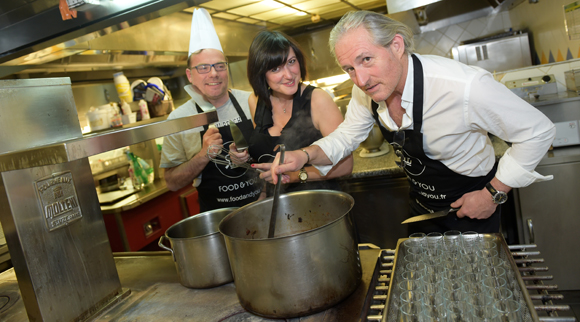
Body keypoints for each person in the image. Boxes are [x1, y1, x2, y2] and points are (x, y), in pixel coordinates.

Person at [270, 10, 555, 234]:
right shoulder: (366, 90)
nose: (360, 80)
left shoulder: (463, 86)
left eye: (366, 59)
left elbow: (538, 132)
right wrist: (304, 155)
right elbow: (346, 136)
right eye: (349, 69)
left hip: (473, 211)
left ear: (396, 45)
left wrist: (493, 194)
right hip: (422, 209)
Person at [160, 8, 261, 212]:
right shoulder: (178, 120)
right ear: (189, 75)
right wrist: (204, 155)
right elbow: (171, 182)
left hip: (263, 205)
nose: (213, 73)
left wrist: (248, 157)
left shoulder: (253, 101)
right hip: (218, 219)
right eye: (204, 68)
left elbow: (278, 151)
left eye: (220, 66)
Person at [230, 30, 353, 195]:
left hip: (321, 201)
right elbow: (266, 157)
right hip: (279, 203)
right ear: (261, 74)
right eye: (275, 69)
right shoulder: (256, 101)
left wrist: (294, 176)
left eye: (291, 61)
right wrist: (243, 157)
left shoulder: (318, 99)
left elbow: (346, 165)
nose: (289, 75)